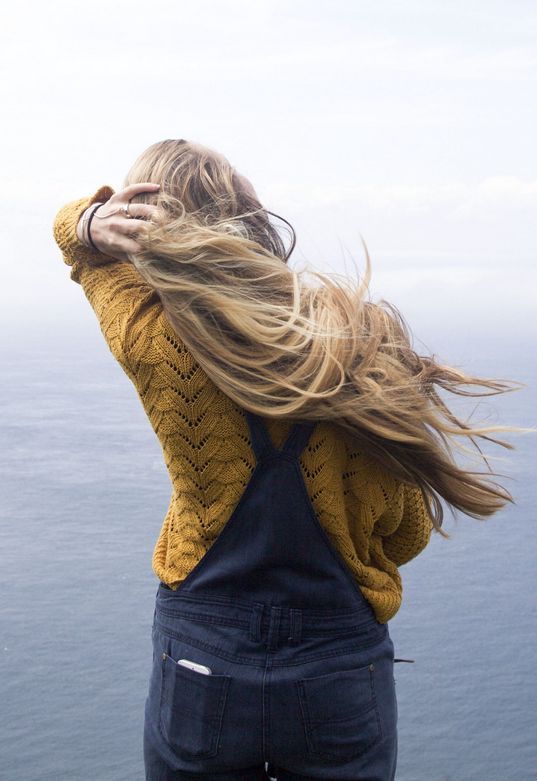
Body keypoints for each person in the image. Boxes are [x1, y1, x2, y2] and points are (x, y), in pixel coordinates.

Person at [53, 138, 516, 781]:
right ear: (255, 220)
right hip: (337, 668)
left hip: (200, 661)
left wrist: (88, 221)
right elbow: (406, 533)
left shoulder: (155, 341)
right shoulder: (358, 343)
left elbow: (85, 258)